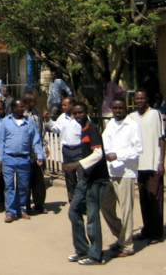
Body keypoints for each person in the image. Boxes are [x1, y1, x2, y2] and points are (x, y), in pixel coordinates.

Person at [64, 102, 111, 266]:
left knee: (92, 216)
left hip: (96, 179)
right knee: (74, 210)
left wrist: (76, 164)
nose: (78, 116)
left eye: (80, 113)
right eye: (75, 113)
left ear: (87, 112)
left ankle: (96, 255)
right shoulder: (83, 128)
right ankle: (82, 250)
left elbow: (98, 153)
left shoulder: (92, 128)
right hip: (86, 178)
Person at [101, 97, 142, 258]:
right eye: (115, 108)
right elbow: (104, 144)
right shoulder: (110, 125)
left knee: (126, 210)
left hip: (126, 172)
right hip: (110, 172)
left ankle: (127, 246)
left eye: (121, 108)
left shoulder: (132, 126)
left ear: (125, 108)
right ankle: (121, 236)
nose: (118, 111)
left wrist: (118, 155)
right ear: (111, 108)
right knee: (105, 205)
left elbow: (138, 149)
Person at [129, 89, 166, 245]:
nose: (139, 101)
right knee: (143, 198)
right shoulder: (131, 118)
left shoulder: (155, 114)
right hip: (138, 164)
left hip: (152, 163)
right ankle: (146, 229)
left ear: (147, 99)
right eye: (137, 98)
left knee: (154, 197)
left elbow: (161, 139)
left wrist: (161, 161)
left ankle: (157, 232)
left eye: (142, 98)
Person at [0, 99, 44, 223]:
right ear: (14, 108)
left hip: (24, 159)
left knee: (23, 186)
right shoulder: (6, 122)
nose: (23, 108)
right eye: (20, 106)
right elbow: (1, 141)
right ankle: (10, 211)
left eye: (23, 106)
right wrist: (0, 159)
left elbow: (35, 140)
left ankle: (21, 208)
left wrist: (39, 155)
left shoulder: (28, 122)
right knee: (9, 186)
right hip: (8, 158)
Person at [43, 96, 81, 202]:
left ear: (72, 105)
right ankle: (73, 201)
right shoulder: (62, 117)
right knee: (70, 177)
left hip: (79, 150)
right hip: (67, 150)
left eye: (65, 105)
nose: (63, 107)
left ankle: (83, 201)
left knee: (82, 177)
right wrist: (48, 120)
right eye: (62, 105)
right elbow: (56, 128)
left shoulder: (80, 116)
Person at [24, 92, 47, 214]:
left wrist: (45, 146)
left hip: (37, 152)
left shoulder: (37, 114)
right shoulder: (21, 115)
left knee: (38, 181)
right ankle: (26, 206)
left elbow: (42, 131)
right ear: (27, 102)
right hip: (26, 153)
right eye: (33, 101)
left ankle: (39, 205)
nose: (35, 103)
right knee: (26, 181)